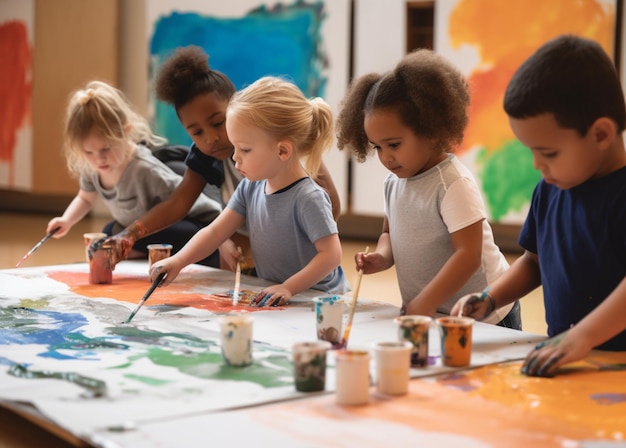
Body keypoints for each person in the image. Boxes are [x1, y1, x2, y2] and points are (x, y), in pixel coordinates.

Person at [451, 34, 626, 376]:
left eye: (548, 153)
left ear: (601, 134)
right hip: (568, 359)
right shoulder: (549, 189)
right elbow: (535, 262)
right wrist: (490, 298)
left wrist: (582, 337)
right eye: (530, 151)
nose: (537, 165)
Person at [95, 46, 341, 273]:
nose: (211, 138)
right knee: (114, 231)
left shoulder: (288, 149)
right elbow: (179, 205)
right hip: (249, 240)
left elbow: (331, 208)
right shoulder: (228, 170)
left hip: (295, 247)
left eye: (217, 123)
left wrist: (292, 241)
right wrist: (130, 234)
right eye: (197, 132)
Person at [336, 49, 520, 328]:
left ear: (430, 130)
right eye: (377, 147)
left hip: (487, 316)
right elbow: (389, 232)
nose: (386, 157)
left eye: (394, 145)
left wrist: (426, 301)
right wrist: (382, 257)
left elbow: (468, 256)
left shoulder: (452, 184)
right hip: (435, 313)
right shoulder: (393, 183)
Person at [150, 76, 349, 306]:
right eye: (235, 147)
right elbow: (215, 232)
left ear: (283, 151)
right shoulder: (251, 186)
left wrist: (288, 288)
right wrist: (178, 261)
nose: (235, 157)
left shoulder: (308, 197)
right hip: (276, 293)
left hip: (318, 299)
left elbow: (331, 255)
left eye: (244, 149)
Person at [46, 81, 223, 266]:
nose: (99, 159)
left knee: (129, 238)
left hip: (192, 223)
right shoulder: (93, 169)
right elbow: (85, 199)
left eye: (106, 148)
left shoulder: (143, 169)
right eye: (89, 152)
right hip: (137, 229)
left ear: (126, 132)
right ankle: (138, 250)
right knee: (107, 233)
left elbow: (178, 205)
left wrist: (129, 238)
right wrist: (66, 220)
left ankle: (140, 250)